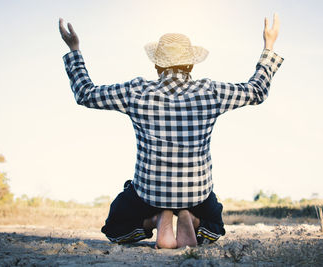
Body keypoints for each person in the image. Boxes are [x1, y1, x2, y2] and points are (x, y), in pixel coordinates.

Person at [59, 14, 283, 249]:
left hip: (150, 193)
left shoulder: (137, 91)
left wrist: (74, 49)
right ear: (192, 64)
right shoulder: (211, 92)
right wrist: (269, 45)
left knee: (116, 225)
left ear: (157, 65)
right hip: (196, 193)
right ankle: (190, 217)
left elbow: (85, 93)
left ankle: (157, 217)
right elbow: (257, 91)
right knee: (214, 223)